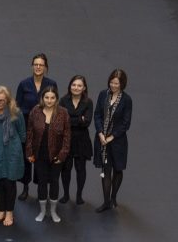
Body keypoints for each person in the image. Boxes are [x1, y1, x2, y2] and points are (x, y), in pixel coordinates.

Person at [15, 53, 58, 200]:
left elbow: (55, 105)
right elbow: (17, 107)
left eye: (41, 65)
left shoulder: (51, 84)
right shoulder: (24, 84)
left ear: (46, 67)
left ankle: (41, 186)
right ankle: (25, 188)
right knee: (27, 157)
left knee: (42, 156)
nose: (38, 67)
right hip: (27, 125)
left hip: (45, 126)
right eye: (36, 64)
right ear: (32, 66)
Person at [26, 86, 72, 223]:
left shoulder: (63, 113)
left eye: (52, 98)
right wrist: (29, 152)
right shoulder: (35, 111)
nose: (49, 100)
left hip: (56, 156)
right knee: (41, 183)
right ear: (42, 98)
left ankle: (53, 211)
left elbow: (67, 136)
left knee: (54, 182)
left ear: (56, 99)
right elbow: (29, 133)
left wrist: (62, 155)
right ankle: (42, 211)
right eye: (46, 97)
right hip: (39, 154)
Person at [0, 86, 26, 226]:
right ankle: (1, 211)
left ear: (8, 100)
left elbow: (23, 134)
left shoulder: (16, 113)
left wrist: (16, 148)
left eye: (3, 100)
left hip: (11, 153)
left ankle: (9, 212)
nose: (0, 102)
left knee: (9, 183)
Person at [93, 69, 132, 212]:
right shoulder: (103, 94)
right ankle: (106, 201)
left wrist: (111, 136)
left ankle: (114, 196)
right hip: (102, 140)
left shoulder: (127, 100)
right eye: (112, 82)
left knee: (118, 169)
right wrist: (100, 133)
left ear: (122, 84)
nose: (114, 85)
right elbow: (97, 114)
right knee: (106, 169)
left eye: (117, 83)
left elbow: (126, 123)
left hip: (118, 142)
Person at [59, 75, 94, 205]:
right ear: (70, 86)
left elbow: (87, 122)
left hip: (82, 140)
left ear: (84, 87)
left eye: (79, 85)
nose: (76, 87)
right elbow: (61, 121)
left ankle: (79, 195)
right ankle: (66, 194)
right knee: (66, 168)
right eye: (74, 85)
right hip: (66, 139)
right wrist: (79, 119)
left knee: (81, 169)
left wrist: (70, 119)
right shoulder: (63, 100)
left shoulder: (88, 102)